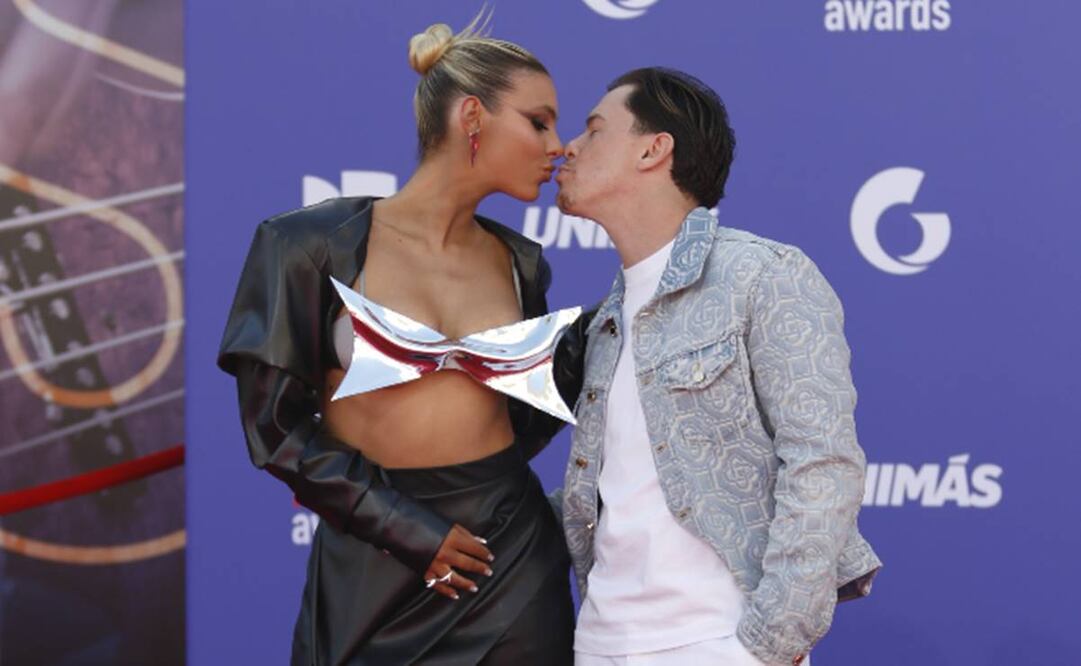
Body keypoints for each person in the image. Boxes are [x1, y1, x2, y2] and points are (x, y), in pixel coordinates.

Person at [218, 17, 586, 665]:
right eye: (538, 122)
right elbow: (273, 428)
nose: (557, 144)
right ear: (472, 116)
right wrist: (403, 527)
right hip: (373, 560)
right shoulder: (304, 246)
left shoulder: (520, 261)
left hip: (510, 558)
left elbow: (523, 419)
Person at [554, 67, 882, 666]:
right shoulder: (604, 320)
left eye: (595, 131)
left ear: (655, 150)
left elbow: (824, 464)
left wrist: (765, 646)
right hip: (598, 643)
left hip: (717, 643)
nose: (567, 147)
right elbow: (618, 494)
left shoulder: (764, 277)